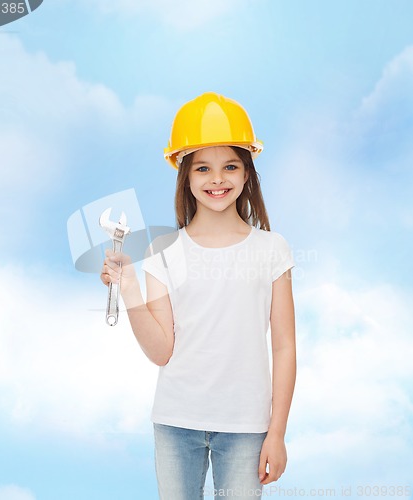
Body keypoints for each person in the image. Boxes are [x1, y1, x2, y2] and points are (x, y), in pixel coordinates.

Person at [100, 92, 296, 499]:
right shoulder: (163, 253)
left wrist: (276, 433)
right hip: (176, 422)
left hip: (247, 427)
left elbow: (285, 346)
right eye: (203, 168)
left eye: (230, 166)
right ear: (185, 176)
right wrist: (130, 285)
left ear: (247, 174)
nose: (217, 178)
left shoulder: (272, 249)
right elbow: (161, 351)